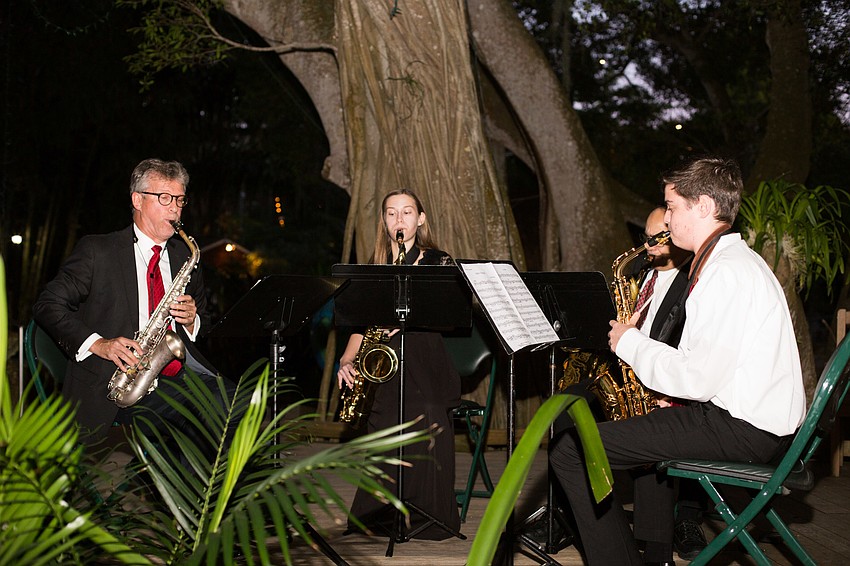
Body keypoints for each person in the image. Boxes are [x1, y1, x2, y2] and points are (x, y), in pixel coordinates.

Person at [549, 156, 806, 565]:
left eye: (672, 206)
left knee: (570, 449)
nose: (666, 218)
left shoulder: (725, 272)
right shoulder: (732, 263)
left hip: (744, 430)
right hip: (747, 423)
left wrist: (629, 341)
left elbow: (695, 378)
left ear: (703, 206)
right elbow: (713, 369)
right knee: (617, 436)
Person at [33, 158, 227, 449]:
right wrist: (100, 344)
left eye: (180, 199)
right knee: (199, 412)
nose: (175, 208)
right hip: (117, 383)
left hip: (175, 375)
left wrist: (191, 321)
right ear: (137, 199)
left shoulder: (185, 257)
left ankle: (194, 490)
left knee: (237, 400)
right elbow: (48, 304)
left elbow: (205, 321)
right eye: (164, 198)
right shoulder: (98, 250)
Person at [337, 188, 461, 540]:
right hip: (386, 363)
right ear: (384, 221)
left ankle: (429, 517)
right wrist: (348, 360)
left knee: (429, 408)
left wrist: (407, 319)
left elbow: (449, 317)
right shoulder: (374, 267)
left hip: (427, 359)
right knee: (386, 411)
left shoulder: (438, 262)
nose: (399, 220)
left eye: (407, 212)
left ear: (420, 220)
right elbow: (361, 326)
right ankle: (380, 514)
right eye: (391, 213)